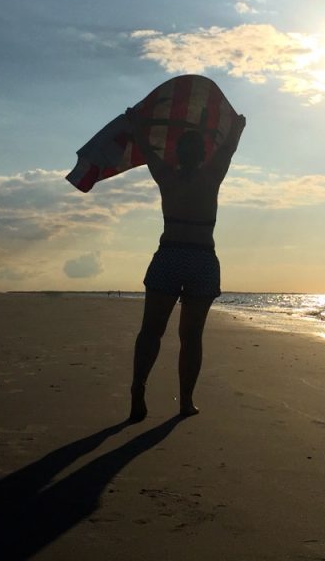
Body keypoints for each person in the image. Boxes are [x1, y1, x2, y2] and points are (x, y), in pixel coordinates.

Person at [124, 105, 245, 421]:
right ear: (203, 154)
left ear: (177, 154)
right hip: (201, 258)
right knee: (191, 336)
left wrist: (136, 125)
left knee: (151, 330)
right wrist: (237, 128)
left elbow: (147, 149)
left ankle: (139, 388)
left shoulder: (166, 175)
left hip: (170, 254)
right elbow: (229, 149)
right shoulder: (211, 175)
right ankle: (185, 401)